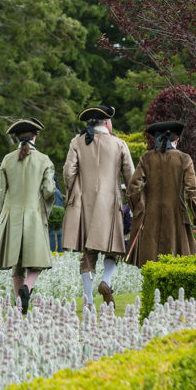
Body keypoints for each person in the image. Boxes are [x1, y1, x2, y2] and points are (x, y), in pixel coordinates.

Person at [61, 105, 135, 308]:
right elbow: (131, 178)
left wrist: (72, 194)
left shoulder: (77, 142)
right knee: (113, 250)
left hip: (84, 207)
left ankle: (88, 301)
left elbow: (68, 172)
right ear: (108, 123)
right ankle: (106, 282)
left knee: (88, 255)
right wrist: (135, 204)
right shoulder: (119, 144)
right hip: (110, 206)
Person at [0, 118, 55, 314]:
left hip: (12, 217)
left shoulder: (7, 160)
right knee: (39, 261)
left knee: (17, 264)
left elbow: (2, 193)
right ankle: (28, 287)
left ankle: (18, 305)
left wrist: (4, 215)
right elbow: (49, 190)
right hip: (33, 216)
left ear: (17, 137)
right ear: (36, 135)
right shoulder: (44, 160)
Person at [127, 121, 196, 267]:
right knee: (178, 265)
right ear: (177, 140)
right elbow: (192, 190)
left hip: (150, 217)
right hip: (177, 217)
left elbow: (132, 188)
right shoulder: (184, 159)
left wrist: (139, 209)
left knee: (151, 263)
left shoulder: (146, 158)